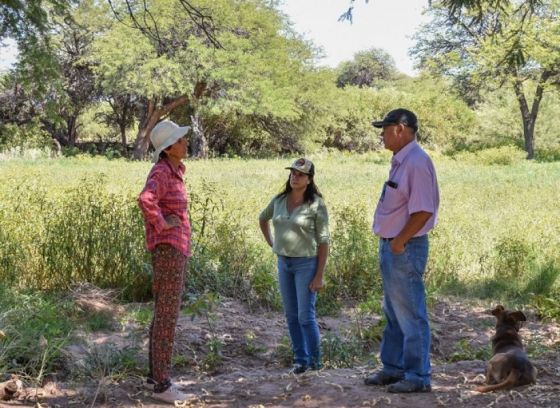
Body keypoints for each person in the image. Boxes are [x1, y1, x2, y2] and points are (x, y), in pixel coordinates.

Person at [364, 108, 439, 393]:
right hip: (394, 246)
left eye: (385, 128)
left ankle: (418, 376)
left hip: (404, 247)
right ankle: (393, 368)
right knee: (394, 312)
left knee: (410, 313)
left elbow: (423, 211)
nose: (381, 134)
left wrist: (398, 242)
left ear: (400, 128)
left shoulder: (417, 162)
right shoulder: (402, 161)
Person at [138, 120, 194, 404]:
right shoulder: (162, 171)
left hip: (174, 249)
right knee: (167, 316)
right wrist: (162, 224)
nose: (186, 143)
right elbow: (146, 199)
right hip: (168, 249)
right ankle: (162, 385)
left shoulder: (174, 171)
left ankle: (154, 377)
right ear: (169, 148)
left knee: (163, 313)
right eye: (181, 140)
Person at [259, 158, 330, 374]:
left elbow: (324, 241)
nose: (295, 177)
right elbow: (263, 218)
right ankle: (300, 360)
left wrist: (319, 275)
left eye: (300, 174)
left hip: (306, 264)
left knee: (305, 316)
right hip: (284, 263)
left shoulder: (316, 204)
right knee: (291, 315)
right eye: (292, 173)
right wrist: (273, 243)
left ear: (309, 179)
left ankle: (315, 363)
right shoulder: (280, 200)